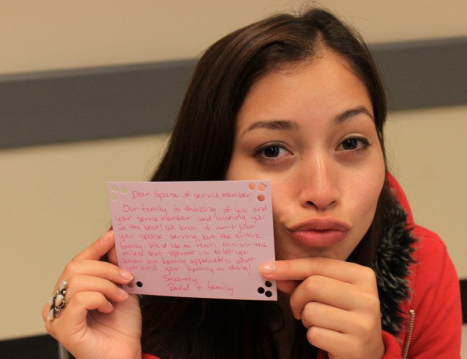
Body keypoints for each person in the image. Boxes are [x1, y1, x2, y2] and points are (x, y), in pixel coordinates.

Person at [43, 8, 462, 359]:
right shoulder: (133, 302)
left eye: (352, 142)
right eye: (273, 150)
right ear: (212, 165)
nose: (321, 191)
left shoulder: (420, 269)